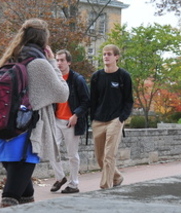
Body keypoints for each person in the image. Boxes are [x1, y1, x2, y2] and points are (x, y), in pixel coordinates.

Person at [0, 18, 69, 208]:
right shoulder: (39, 64)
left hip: (2, 134)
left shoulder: (9, 61)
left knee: (25, 190)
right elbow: (62, 94)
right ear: (44, 41)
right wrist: (53, 61)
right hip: (25, 138)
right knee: (11, 196)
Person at [90, 45, 133, 189]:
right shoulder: (97, 77)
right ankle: (117, 177)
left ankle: (105, 187)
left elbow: (129, 100)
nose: (106, 57)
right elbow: (93, 100)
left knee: (109, 155)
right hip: (98, 120)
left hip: (115, 120)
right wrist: (92, 118)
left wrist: (122, 118)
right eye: (104, 54)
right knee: (100, 158)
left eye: (109, 54)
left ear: (116, 57)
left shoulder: (124, 76)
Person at [48, 49, 90, 194]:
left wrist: (76, 115)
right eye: (57, 60)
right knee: (51, 150)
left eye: (62, 60)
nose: (59, 63)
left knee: (72, 155)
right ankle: (60, 178)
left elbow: (86, 101)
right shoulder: (55, 79)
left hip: (71, 122)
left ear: (69, 62)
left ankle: (74, 184)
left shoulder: (77, 79)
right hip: (56, 121)